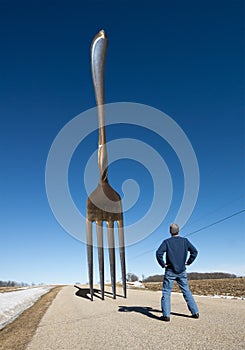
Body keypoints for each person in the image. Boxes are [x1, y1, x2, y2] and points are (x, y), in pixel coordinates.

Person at [156, 223, 199, 321]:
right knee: (186, 291)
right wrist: (189, 262)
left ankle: (166, 315)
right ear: (178, 231)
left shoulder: (167, 242)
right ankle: (195, 312)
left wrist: (163, 264)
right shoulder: (185, 241)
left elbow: (159, 253)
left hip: (170, 270)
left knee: (166, 292)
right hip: (182, 270)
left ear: (170, 231)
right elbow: (194, 252)